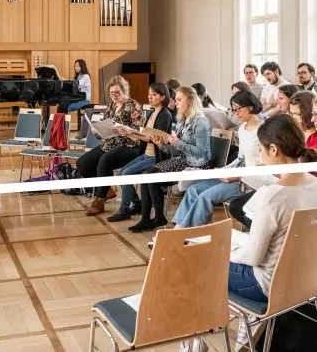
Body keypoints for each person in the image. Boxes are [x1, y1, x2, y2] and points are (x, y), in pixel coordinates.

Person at [228, 114, 317, 305]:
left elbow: (253, 258)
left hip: (269, 285)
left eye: (260, 149)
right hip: (308, 279)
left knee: (200, 259)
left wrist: (228, 252)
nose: (260, 156)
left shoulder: (273, 196)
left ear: (274, 149)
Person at [172, 91, 263, 229]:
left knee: (205, 196)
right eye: (234, 109)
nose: (236, 113)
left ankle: (183, 234)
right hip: (237, 172)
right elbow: (240, 158)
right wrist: (224, 169)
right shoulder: (243, 128)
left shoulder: (263, 130)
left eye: (239, 108)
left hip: (249, 180)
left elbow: (264, 166)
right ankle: (178, 229)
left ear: (250, 107)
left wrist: (237, 175)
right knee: (193, 190)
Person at [128, 86, 212, 233]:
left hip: (197, 165)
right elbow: (176, 150)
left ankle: (156, 217)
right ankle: (149, 219)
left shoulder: (201, 123)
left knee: (149, 176)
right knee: (146, 175)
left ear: (191, 101)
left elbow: (202, 154)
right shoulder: (182, 121)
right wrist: (162, 145)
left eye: (179, 100)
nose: (176, 103)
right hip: (183, 160)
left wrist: (177, 142)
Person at [77, 76, 145, 216]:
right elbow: (105, 130)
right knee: (82, 163)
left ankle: (99, 199)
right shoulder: (111, 106)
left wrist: (122, 129)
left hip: (130, 145)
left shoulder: (133, 106)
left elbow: (139, 130)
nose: (113, 95)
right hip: (110, 143)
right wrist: (97, 131)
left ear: (124, 90)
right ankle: (107, 190)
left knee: (105, 161)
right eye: (111, 93)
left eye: (117, 92)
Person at [107, 83, 173, 222]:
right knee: (120, 174)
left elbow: (153, 138)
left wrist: (130, 133)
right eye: (149, 94)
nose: (150, 97)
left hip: (156, 156)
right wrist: (128, 132)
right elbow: (144, 132)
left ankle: (124, 209)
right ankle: (137, 203)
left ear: (162, 97)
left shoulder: (165, 115)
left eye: (154, 95)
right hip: (147, 153)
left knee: (125, 174)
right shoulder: (151, 112)